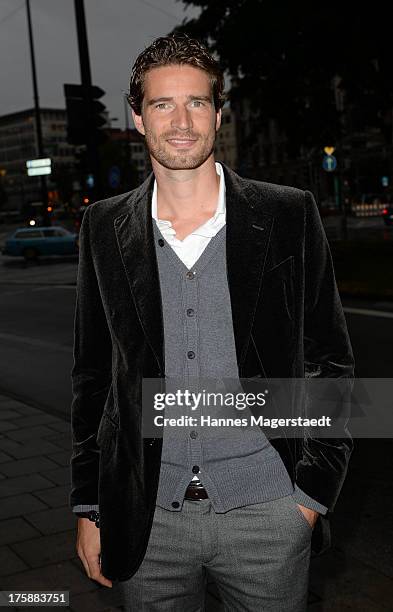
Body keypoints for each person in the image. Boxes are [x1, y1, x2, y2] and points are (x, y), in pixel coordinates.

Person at [70, 34, 355, 611]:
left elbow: (331, 359)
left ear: (218, 113)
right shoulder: (102, 227)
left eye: (197, 102)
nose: (181, 121)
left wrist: (308, 496)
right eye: (162, 104)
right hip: (147, 521)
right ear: (138, 117)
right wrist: (91, 506)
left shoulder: (287, 213)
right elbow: (93, 378)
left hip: (270, 516)